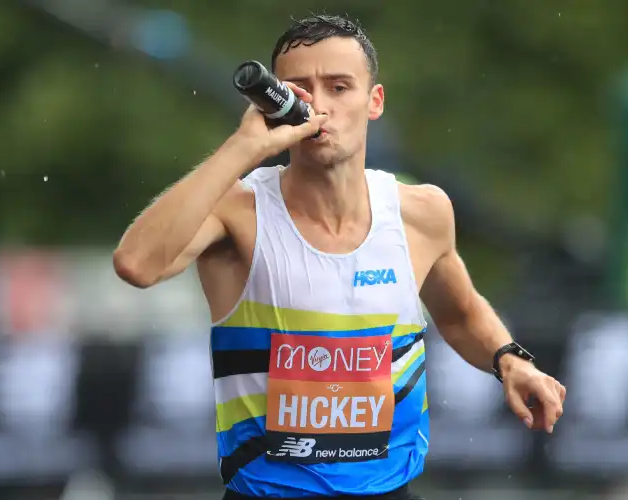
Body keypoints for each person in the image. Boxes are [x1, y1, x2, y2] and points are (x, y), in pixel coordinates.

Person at [113, 14, 566, 500]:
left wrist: (510, 360)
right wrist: (244, 147)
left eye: (339, 87)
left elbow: (460, 312)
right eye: (301, 89)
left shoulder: (421, 212)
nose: (319, 106)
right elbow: (137, 264)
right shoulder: (237, 212)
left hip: (389, 490)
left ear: (375, 102)